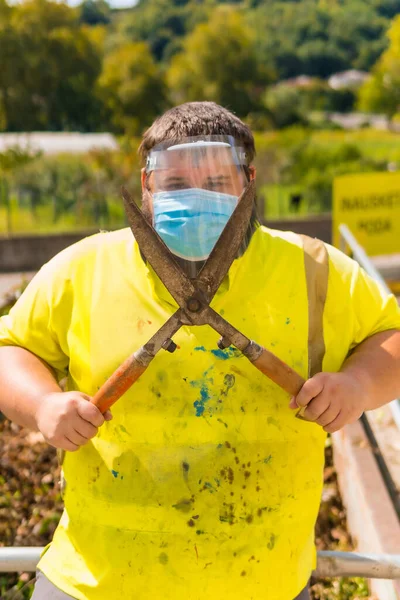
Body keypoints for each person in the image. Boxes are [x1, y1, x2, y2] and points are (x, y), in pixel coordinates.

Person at [1, 101, 400, 600]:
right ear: (147, 187)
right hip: (93, 584)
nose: (194, 198)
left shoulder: (315, 269)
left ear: (249, 181)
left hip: (263, 586)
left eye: (214, 184)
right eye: (173, 184)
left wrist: (358, 384)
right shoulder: (82, 270)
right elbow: (9, 348)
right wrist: (41, 405)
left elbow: (392, 334)